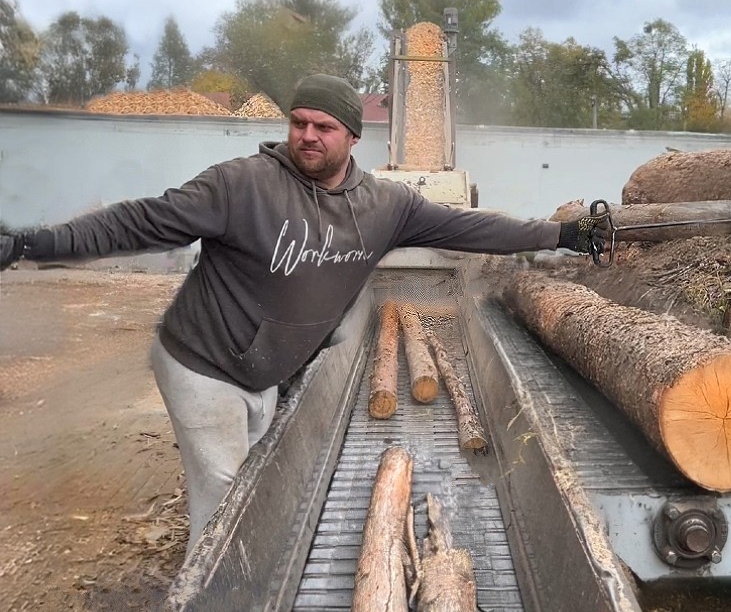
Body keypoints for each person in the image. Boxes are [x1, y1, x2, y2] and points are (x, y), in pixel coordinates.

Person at [0, 74, 605, 555]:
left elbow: (471, 227)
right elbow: (136, 221)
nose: (307, 135)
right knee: (226, 511)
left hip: (264, 371)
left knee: (253, 486)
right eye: (298, 123)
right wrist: (33, 243)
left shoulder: (385, 206)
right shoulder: (239, 186)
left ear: (351, 137)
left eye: (323, 126)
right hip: (204, 367)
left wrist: (560, 233)